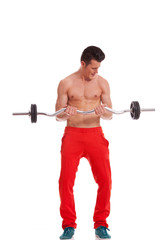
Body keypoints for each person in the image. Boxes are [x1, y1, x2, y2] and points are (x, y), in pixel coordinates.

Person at [55, 46, 112, 239]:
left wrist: (104, 112)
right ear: (83, 63)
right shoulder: (66, 83)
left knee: (105, 180)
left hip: (95, 134)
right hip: (72, 135)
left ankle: (101, 225)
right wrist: (65, 112)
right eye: (93, 68)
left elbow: (110, 115)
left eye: (98, 68)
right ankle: (68, 225)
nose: (96, 72)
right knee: (65, 182)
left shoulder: (103, 83)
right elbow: (57, 115)